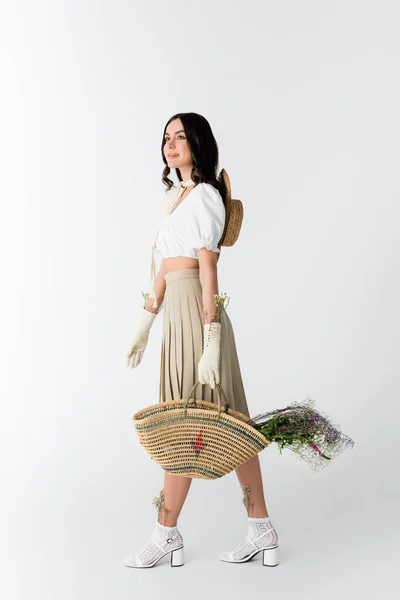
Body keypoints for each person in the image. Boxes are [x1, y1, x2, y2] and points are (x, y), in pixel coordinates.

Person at [124, 112, 279, 568]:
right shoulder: (176, 197)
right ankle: (258, 529)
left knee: (220, 420)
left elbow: (207, 269)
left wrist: (210, 336)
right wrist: (145, 322)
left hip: (197, 311)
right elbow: (164, 268)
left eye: (180, 137)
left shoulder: (208, 196)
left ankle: (170, 533)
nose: (171, 145)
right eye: (166, 138)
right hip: (175, 312)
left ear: (198, 143)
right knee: (186, 421)